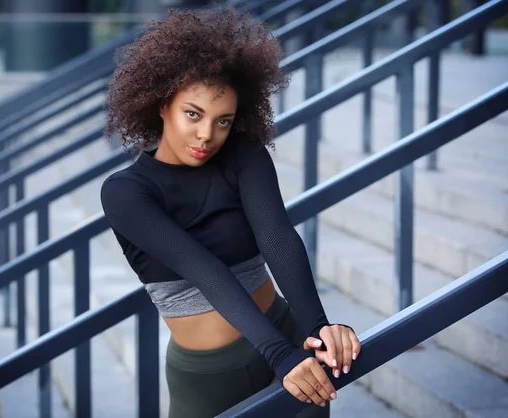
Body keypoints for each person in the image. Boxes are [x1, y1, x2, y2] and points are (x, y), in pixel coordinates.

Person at [100, 6, 360, 418]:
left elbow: (276, 237)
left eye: (224, 120)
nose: (208, 135)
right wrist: (279, 355)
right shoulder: (126, 192)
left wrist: (316, 330)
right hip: (209, 377)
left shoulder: (242, 152)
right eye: (193, 114)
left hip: (288, 338)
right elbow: (203, 269)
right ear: (161, 103)